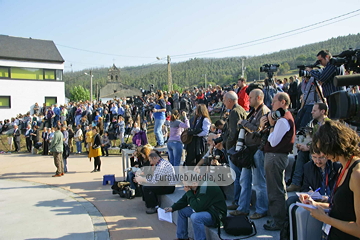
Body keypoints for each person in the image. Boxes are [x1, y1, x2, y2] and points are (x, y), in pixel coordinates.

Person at [300, 121, 360, 240]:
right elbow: (341, 208)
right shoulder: (344, 167)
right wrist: (315, 205)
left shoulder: (356, 174)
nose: (323, 155)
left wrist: (326, 219)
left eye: (324, 150)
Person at [229, 89, 270, 220]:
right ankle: (243, 208)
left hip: (257, 150)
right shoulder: (254, 111)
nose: (248, 99)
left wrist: (243, 123)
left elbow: (257, 130)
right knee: (244, 181)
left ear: (258, 98)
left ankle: (261, 209)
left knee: (259, 183)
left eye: (251, 97)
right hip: (249, 150)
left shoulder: (264, 111)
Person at [260, 92, 295, 231]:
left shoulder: (282, 120)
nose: (272, 104)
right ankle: (279, 219)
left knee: (275, 191)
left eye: (274, 101)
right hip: (276, 156)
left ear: (283, 103)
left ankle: (279, 222)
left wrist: (272, 126)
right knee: (277, 189)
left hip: (275, 156)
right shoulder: (287, 117)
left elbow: (273, 141)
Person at [164, 170, 227, 240]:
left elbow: (197, 208)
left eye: (186, 186)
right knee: (182, 211)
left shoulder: (205, 188)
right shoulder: (196, 184)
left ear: (194, 183)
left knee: (195, 217)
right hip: (206, 208)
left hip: (216, 215)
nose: (185, 188)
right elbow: (185, 199)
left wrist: (189, 193)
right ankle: (182, 237)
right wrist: (172, 208)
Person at [287, 102, 330, 192]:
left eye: (314, 110)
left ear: (322, 111)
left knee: (312, 156)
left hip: (323, 152)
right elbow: (314, 140)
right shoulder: (316, 124)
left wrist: (309, 147)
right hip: (314, 149)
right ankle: (296, 183)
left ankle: (316, 185)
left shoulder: (328, 125)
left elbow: (325, 142)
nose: (311, 112)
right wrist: (305, 146)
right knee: (301, 154)